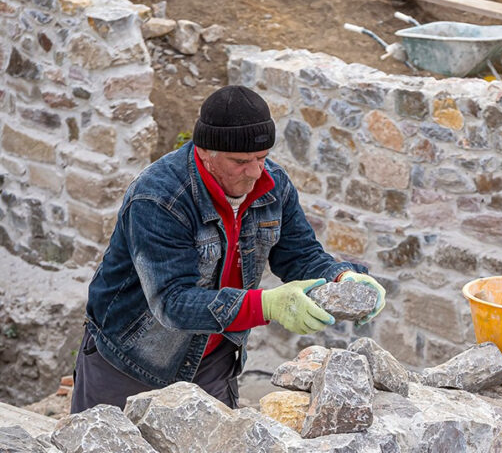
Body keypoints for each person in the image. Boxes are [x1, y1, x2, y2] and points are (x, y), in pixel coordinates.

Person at [71, 85, 385, 413]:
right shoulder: (159, 198)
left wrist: (343, 277)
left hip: (212, 364)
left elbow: (300, 255)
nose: (255, 172)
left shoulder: (273, 185)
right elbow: (172, 303)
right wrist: (267, 305)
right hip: (131, 363)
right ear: (206, 152)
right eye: (240, 161)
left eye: (261, 158)